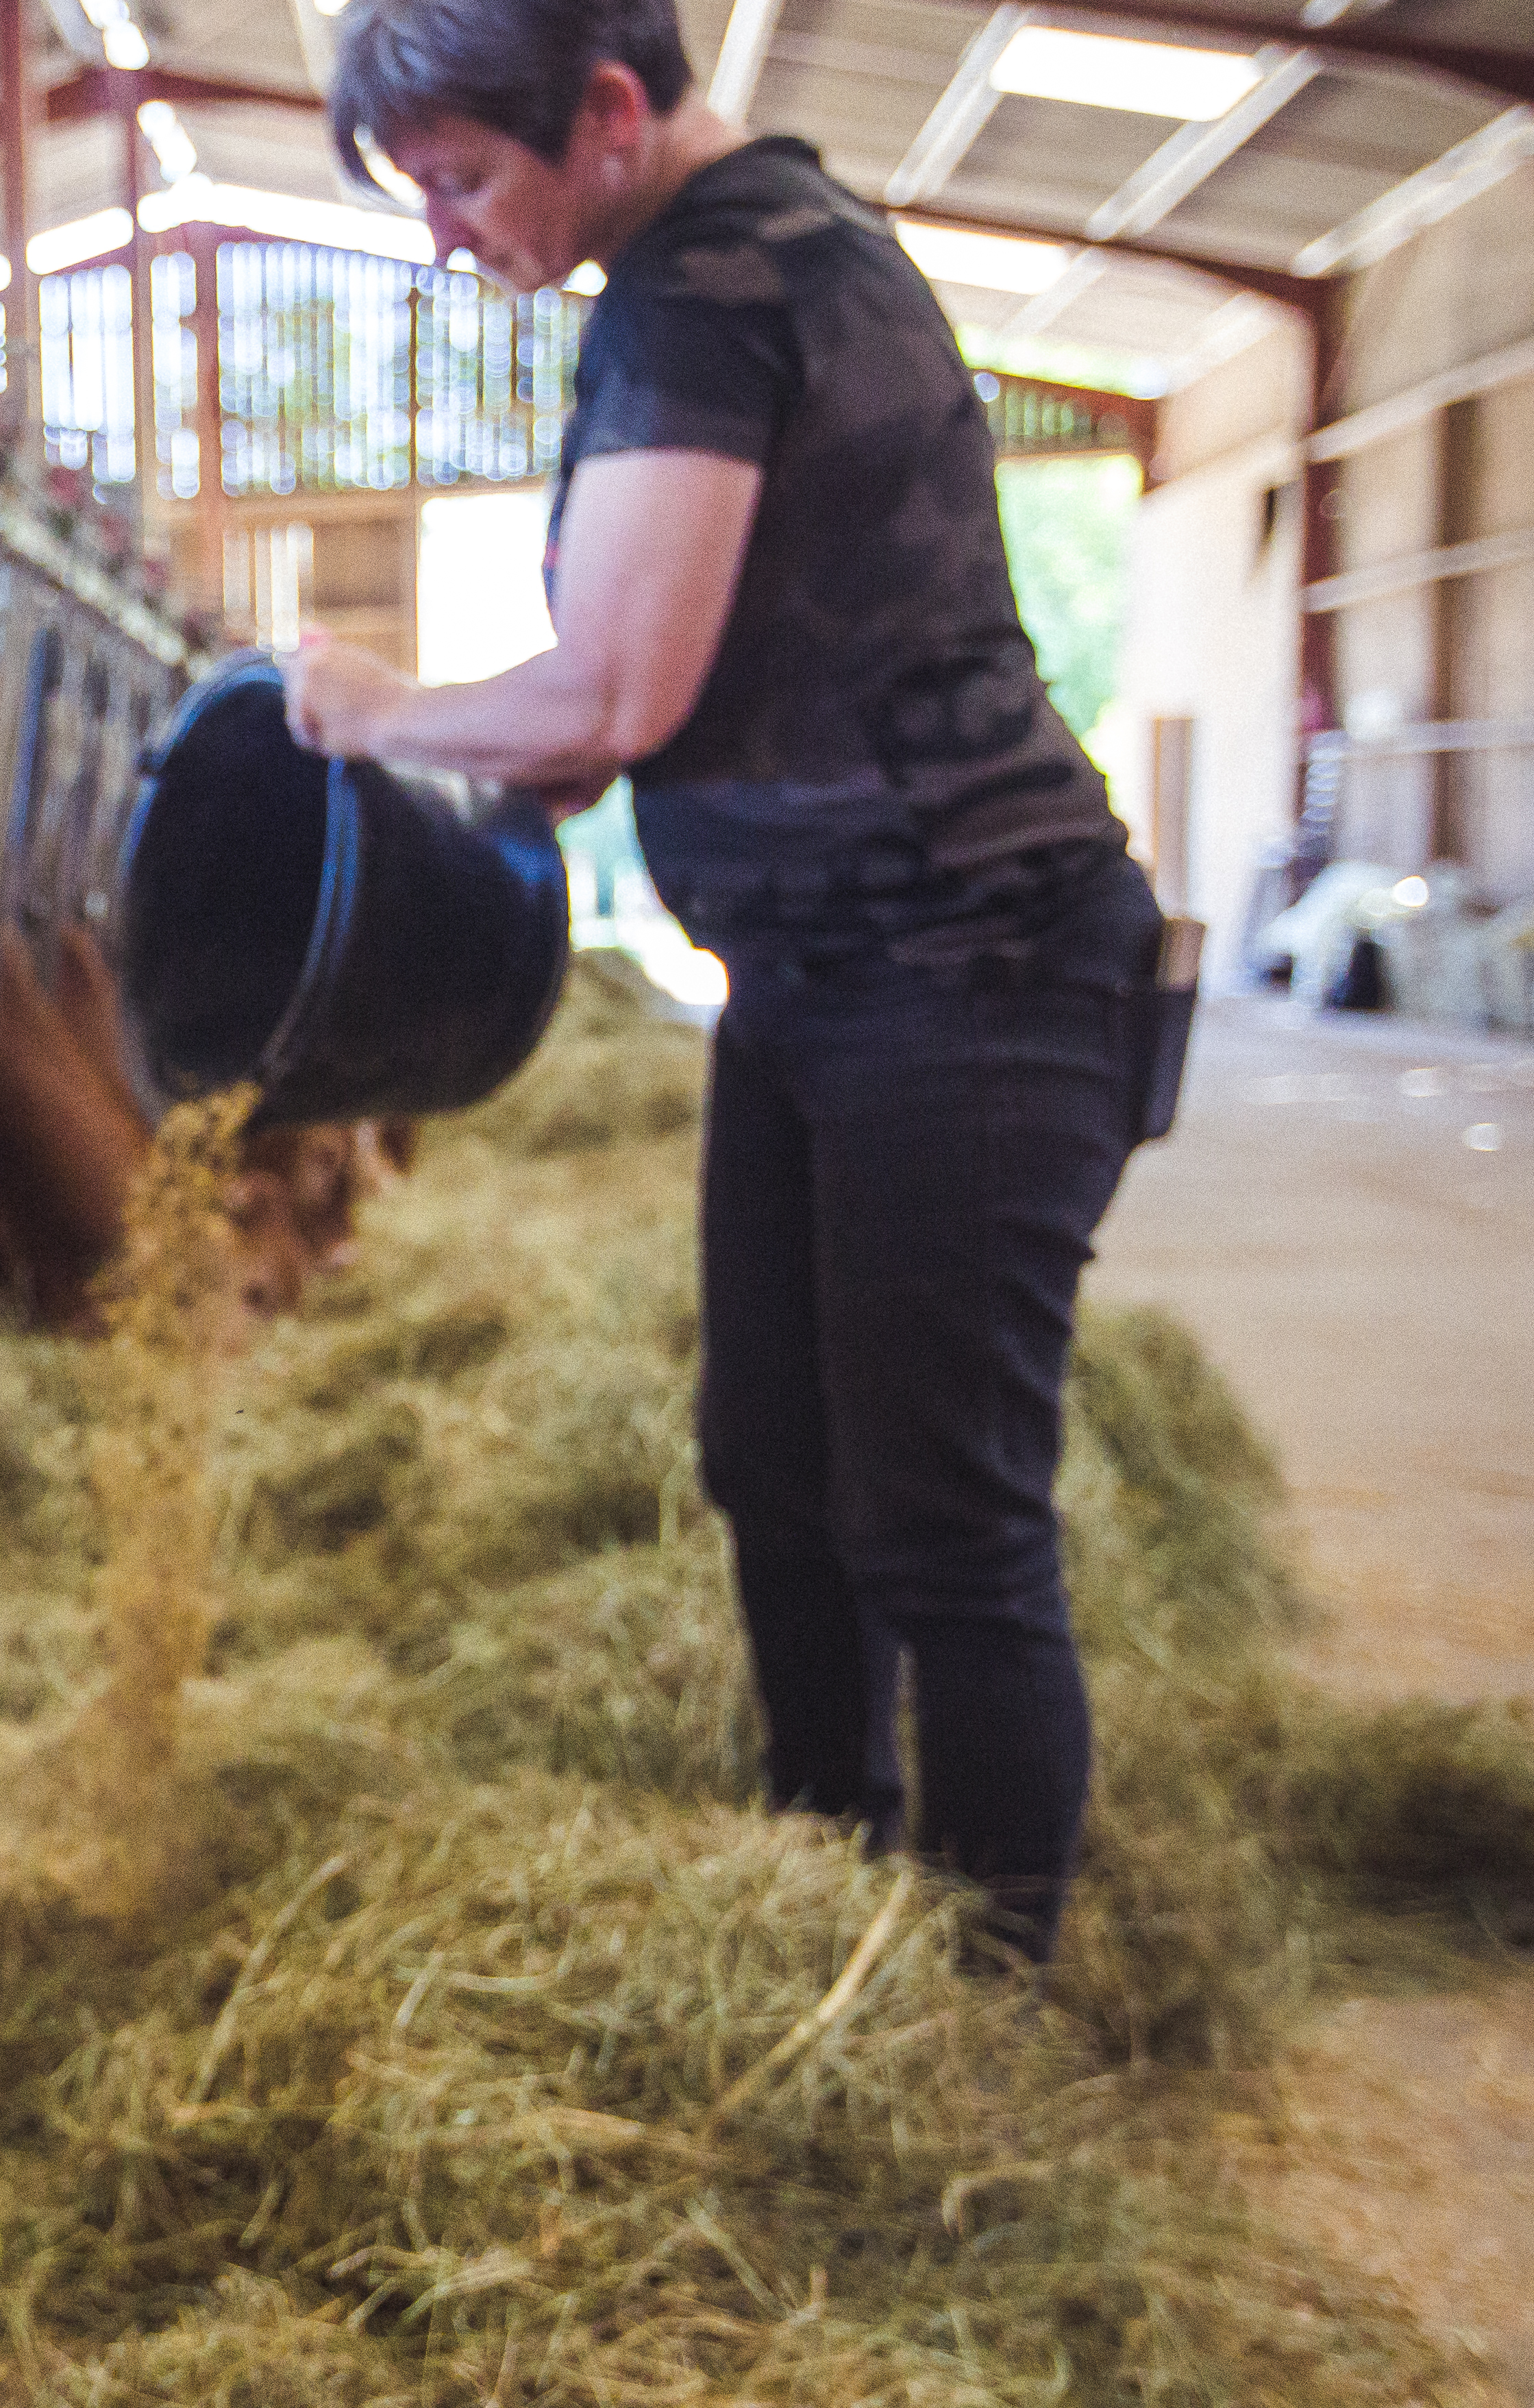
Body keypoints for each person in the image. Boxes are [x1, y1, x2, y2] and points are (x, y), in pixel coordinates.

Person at [286, 0, 1165, 1964]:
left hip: (967, 964)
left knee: (946, 1513)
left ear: (604, 113)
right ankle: (825, 1867)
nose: (441, 234)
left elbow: (610, 698)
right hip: (830, 966)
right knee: (774, 1456)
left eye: (456, 181)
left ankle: (989, 1977)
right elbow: (625, 711)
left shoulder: (716, 285)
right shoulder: (742, 260)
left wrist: (372, 710)